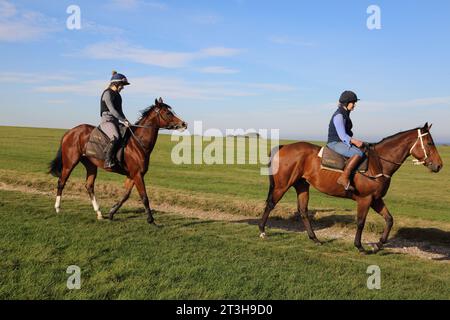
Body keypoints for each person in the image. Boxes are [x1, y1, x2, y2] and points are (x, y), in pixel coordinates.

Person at [327, 90, 365, 191]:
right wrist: (355, 141)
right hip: (335, 143)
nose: (354, 105)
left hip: (341, 142)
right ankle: (343, 178)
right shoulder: (339, 115)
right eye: (353, 103)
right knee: (358, 154)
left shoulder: (345, 113)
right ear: (346, 103)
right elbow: (342, 135)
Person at [99, 71, 131, 168]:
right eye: (122, 85)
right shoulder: (107, 94)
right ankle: (108, 161)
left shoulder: (118, 96)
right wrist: (123, 120)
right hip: (107, 121)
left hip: (116, 121)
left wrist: (126, 120)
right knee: (115, 137)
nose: (123, 87)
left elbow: (120, 111)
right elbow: (112, 110)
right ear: (116, 84)